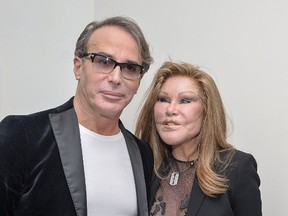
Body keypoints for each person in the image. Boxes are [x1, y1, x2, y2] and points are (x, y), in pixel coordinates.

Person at [0, 16, 154, 216]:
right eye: (103, 61)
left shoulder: (143, 154)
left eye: (130, 68)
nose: (116, 78)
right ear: (78, 67)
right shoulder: (23, 136)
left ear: (139, 80)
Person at [135, 61, 262, 216]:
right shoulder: (143, 164)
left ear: (207, 110)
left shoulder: (238, 168)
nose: (171, 109)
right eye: (163, 99)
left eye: (185, 100)